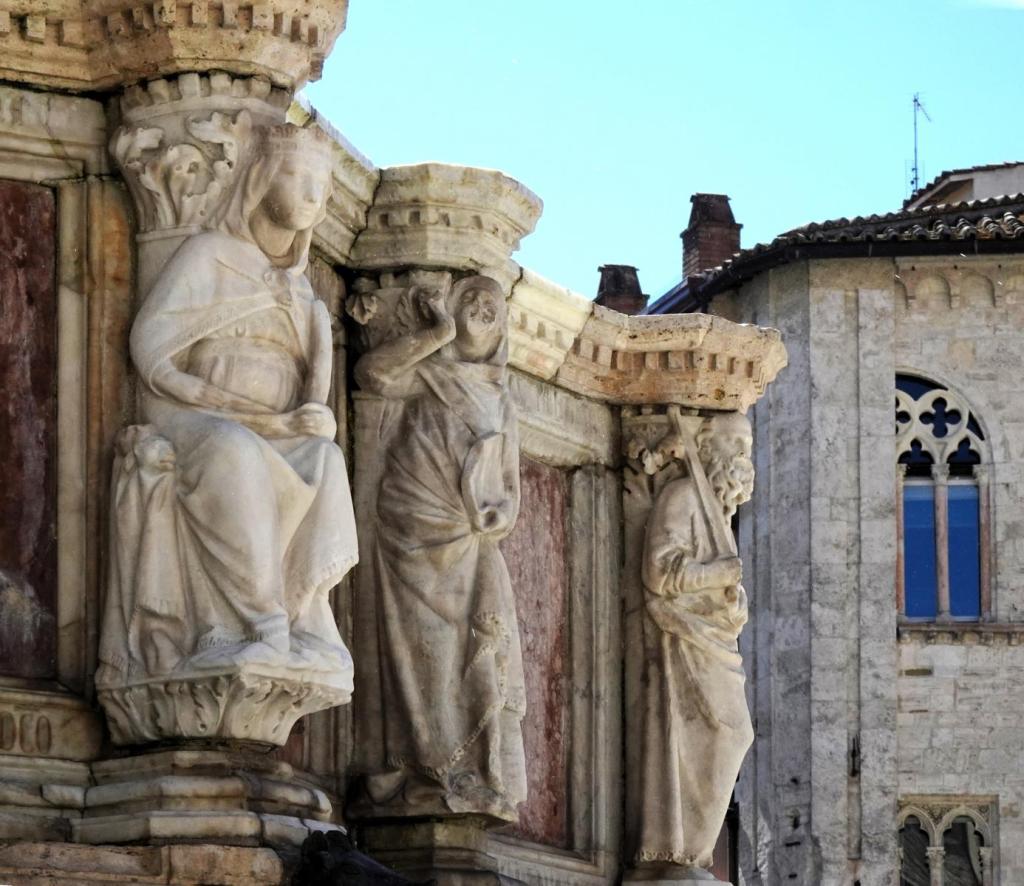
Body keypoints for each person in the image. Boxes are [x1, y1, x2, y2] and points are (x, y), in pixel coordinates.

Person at [98, 124, 358, 692]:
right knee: (233, 452)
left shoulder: (302, 292)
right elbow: (153, 352)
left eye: (320, 182)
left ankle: (305, 617)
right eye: (296, 175)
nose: (311, 193)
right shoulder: (210, 254)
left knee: (325, 460)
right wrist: (239, 409)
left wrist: (316, 416)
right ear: (260, 179)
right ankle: (259, 621)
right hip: (196, 414)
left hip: (277, 426)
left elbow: (312, 388)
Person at [354, 276, 526, 822]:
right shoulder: (428, 371)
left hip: (466, 535)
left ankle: (463, 770)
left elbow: (510, 481)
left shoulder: (500, 396)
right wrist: (438, 332)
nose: (480, 309)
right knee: (423, 653)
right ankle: (423, 765)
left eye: (491, 306)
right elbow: (373, 375)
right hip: (411, 526)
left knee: (462, 654)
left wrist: (502, 513)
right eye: (469, 301)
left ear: (501, 327)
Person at [636, 411, 755, 875]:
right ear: (711, 451)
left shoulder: (719, 514)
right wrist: (718, 574)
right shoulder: (683, 495)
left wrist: (733, 602)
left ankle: (693, 852)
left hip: (715, 640)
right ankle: (677, 850)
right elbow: (659, 571)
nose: (746, 460)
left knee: (734, 734)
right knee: (728, 732)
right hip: (684, 638)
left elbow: (724, 591)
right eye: (739, 448)